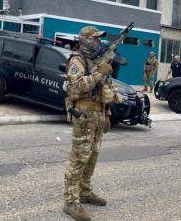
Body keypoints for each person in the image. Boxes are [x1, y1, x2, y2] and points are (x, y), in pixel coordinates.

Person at [64, 26, 121, 221]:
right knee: (79, 158)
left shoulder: (97, 59)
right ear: (85, 39)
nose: (98, 42)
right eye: (95, 38)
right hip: (84, 115)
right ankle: (71, 202)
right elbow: (74, 89)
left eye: (99, 39)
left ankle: (85, 191)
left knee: (92, 157)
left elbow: (104, 85)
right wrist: (98, 74)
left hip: (98, 115)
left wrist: (113, 96)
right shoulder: (77, 60)